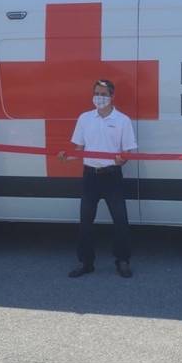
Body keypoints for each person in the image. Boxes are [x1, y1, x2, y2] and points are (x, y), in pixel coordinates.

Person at [59, 79, 137, 279]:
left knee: (120, 221)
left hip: (112, 176)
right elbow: (79, 150)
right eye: (96, 93)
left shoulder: (123, 121)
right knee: (85, 221)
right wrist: (66, 157)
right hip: (90, 176)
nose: (99, 97)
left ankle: (122, 260)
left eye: (103, 94)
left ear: (112, 96)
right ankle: (86, 262)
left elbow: (128, 152)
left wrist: (122, 161)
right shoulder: (85, 118)